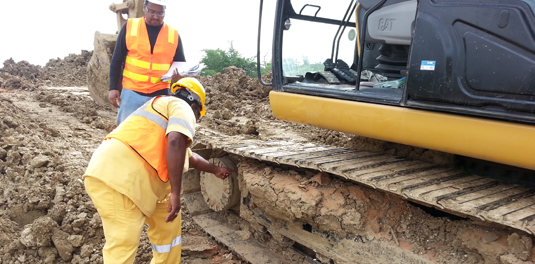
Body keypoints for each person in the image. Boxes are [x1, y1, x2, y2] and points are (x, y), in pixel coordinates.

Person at [84, 78, 232, 263]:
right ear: (195, 104)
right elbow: (176, 142)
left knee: (168, 232)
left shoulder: (163, 109)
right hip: (117, 177)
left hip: (138, 179)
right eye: (198, 114)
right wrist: (176, 194)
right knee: (123, 245)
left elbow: (188, 155)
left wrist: (215, 169)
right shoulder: (181, 106)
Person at [109, 0, 185, 125]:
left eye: (160, 13)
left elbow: (180, 64)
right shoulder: (130, 26)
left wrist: (178, 78)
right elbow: (117, 60)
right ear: (144, 8)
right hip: (131, 93)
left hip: (160, 95)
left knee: (155, 135)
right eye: (152, 11)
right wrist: (113, 87)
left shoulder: (173, 34)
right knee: (126, 134)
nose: (156, 16)